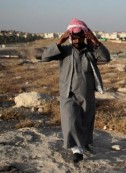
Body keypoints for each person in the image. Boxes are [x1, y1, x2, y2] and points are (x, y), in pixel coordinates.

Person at [42, 18, 111, 163]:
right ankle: (77, 150)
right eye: (73, 37)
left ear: (84, 37)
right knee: (70, 119)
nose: (76, 40)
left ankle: (84, 143)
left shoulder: (91, 51)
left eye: (80, 37)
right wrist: (60, 40)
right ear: (70, 37)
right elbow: (45, 57)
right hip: (68, 93)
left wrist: (96, 41)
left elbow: (106, 58)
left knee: (85, 120)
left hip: (86, 93)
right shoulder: (64, 51)